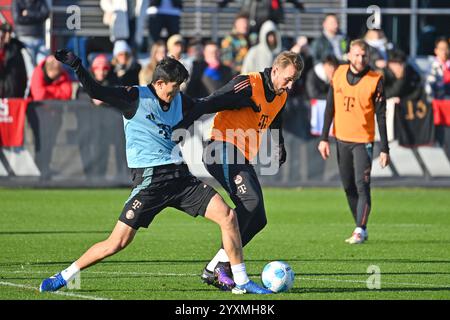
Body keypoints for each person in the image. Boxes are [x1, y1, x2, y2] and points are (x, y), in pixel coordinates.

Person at [38, 49, 272, 295]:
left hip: (181, 179)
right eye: (173, 87)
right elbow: (96, 91)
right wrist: (77, 66)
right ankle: (64, 275)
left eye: (180, 87)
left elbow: (206, 104)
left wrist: (239, 101)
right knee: (117, 242)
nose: (176, 93)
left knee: (228, 217)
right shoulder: (133, 97)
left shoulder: (180, 100)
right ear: (159, 83)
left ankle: (241, 281)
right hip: (151, 181)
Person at [173, 51, 304, 290]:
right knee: (251, 202)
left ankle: (216, 265)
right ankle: (226, 269)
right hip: (220, 149)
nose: (290, 84)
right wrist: (179, 129)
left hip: (239, 156)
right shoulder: (248, 84)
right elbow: (208, 102)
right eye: (288, 78)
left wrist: (280, 144)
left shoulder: (280, 94)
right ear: (275, 70)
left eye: (294, 80)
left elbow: (275, 117)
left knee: (259, 219)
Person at [317, 39, 390, 245]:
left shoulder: (375, 79)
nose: (360, 59)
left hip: (363, 141)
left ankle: (360, 228)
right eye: (356, 54)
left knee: (361, 184)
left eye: (364, 55)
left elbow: (381, 115)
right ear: (349, 55)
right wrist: (324, 138)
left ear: (368, 57)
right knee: (348, 186)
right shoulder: (338, 73)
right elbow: (329, 107)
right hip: (341, 139)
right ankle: (360, 225)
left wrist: (384, 148)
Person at [12, 0, 49, 67]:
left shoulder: (40, 1)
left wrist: (29, 13)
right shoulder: (17, 1)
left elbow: (45, 14)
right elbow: (17, 19)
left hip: (39, 38)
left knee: (43, 65)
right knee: (29, 67)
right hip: (24, 39)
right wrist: (37, 17)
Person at [0, 22, 27, 98]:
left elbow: (22, 72)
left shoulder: (16, 48)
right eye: (5, 32)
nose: (7, 36)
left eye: (9, 32)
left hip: (13, 94)